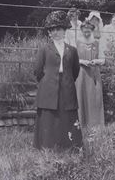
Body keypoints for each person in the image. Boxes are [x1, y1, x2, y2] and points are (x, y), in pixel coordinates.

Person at [33, 10, 82, 150]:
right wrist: (47, 81)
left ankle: (69, 146)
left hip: (67, 86)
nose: (55, 32)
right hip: (48, 87)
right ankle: (47, 146)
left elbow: (75, 71)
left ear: (65, 30)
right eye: (52, 29)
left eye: (59, 29)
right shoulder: (44, 49)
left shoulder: (72, 50)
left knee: (66, 116)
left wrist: (66, 79)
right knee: (50, 117)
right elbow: (37, 70)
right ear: (49, 32)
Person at [75, 20, 105, 130]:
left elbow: (103, 59)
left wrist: (96, 61)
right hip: (81, 73)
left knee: (94, 97)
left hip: (94, 73)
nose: (86, 33)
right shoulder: (77, 42)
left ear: (92, 31)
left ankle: (95, 125)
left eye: (88, 31)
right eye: (84, 32)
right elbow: (73, 59)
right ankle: (82, 123)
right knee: (81, 96)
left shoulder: (97, 42)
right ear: (81, 31)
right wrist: (82, 61)